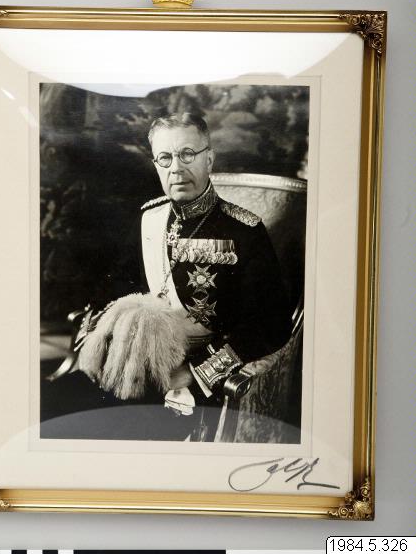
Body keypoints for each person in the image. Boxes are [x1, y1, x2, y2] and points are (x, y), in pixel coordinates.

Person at [40, 112, 292, 441]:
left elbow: (271, 325)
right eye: (165, 157)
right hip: (134, 367)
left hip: (193, 382)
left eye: (188, 154)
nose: (176, 168)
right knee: (51, 411)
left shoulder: (244, 230)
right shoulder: (149, 219)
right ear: (156, 164)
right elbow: (115, 289)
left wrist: (194, 373)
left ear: (209, 159)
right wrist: (102, 342)